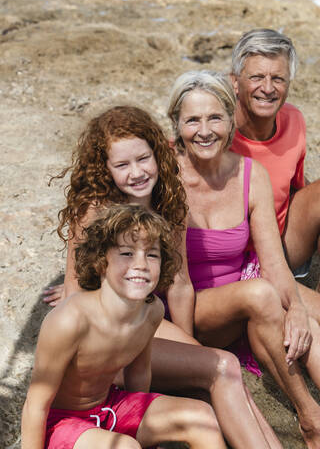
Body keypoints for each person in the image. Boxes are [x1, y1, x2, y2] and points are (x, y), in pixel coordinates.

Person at [43, 105, 281, 448]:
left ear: (157, 152)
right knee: (218, 367)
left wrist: (186, 346)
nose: (137, 172)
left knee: (220, 367)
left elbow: (180, 283)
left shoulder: (169, 201)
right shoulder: (95, 210)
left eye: (143, 159)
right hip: (104, 338)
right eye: (123, 165)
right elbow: (74, 289)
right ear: (105, 169)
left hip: (145, 319)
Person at [167, 69, 320, 448]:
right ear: (177, 125)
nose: (205, 130)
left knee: (308, 312)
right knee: (262, 295)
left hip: (246, 294)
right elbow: (178, 283)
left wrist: (298, 308)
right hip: (184, 311)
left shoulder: (252, 174)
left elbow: (273, 262)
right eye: (193, 120)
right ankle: (310, 418)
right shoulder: (167, 178)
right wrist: (190, 357)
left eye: (215, 117)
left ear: (230, 120)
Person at [22, 204, 226, 449]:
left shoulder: (152, 311)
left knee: (201, 417)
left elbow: (138, 374)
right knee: (125, 447)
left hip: (110, 407)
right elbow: (36, 405)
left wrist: (148, 436)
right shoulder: (70, 319)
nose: (141, 264)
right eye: (127, 253)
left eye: (152, 254)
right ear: (101, 261)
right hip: (61, 423)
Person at [230, 28, 319, 287]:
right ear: (235, 82)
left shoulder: (294, 120)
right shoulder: (215, 130)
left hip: (277, 247)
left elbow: (295, 190)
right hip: (226, 256)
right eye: (257, 77)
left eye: (278, 78)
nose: (267, 88)